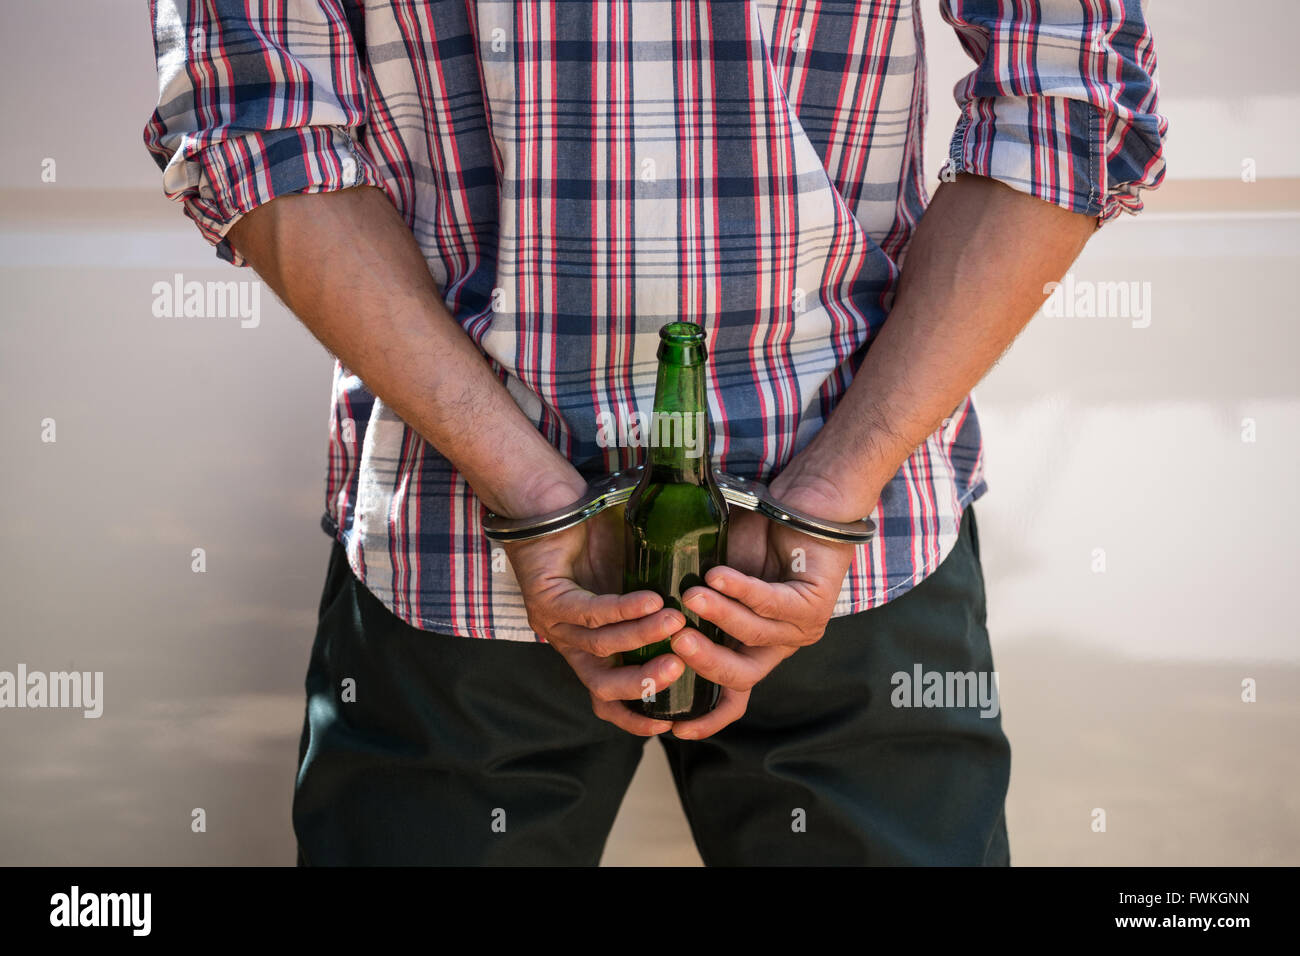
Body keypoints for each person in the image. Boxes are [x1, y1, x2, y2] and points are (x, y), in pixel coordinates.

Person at [144, 0, 1166, 865]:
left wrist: (534, 495)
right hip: (837, 528)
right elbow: (1071, 95)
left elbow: (254, 125)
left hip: (476, 532)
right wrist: (831, 490)